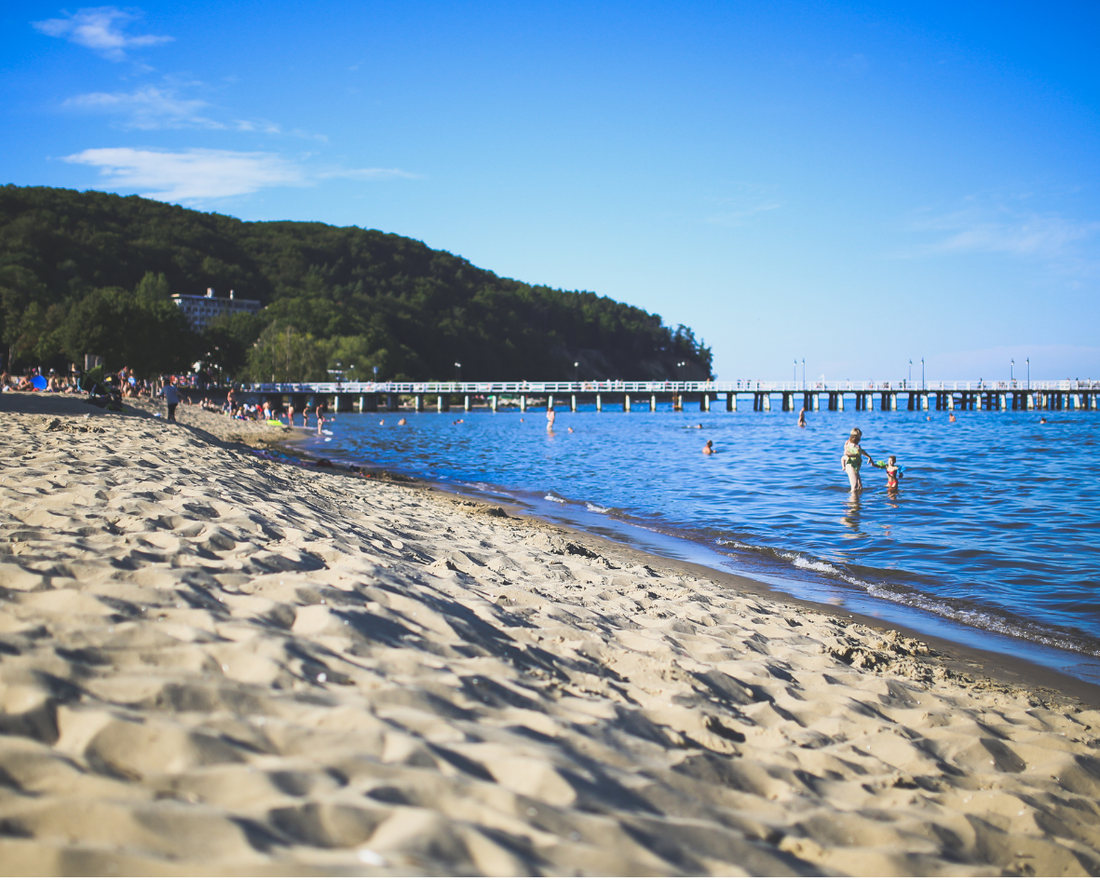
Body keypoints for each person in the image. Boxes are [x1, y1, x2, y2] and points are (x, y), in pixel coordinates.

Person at [841, 427, 874, 492]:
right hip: (851, 465)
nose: (860, 439)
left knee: (859, 486)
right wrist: (855, 455)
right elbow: (846, 453)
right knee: (854, 487)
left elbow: (861, 451)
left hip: (856, 465)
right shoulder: (849, 444)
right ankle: (852, 501)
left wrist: (869, 457)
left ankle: (858, 500)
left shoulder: (856, 445)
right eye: (858, 437)